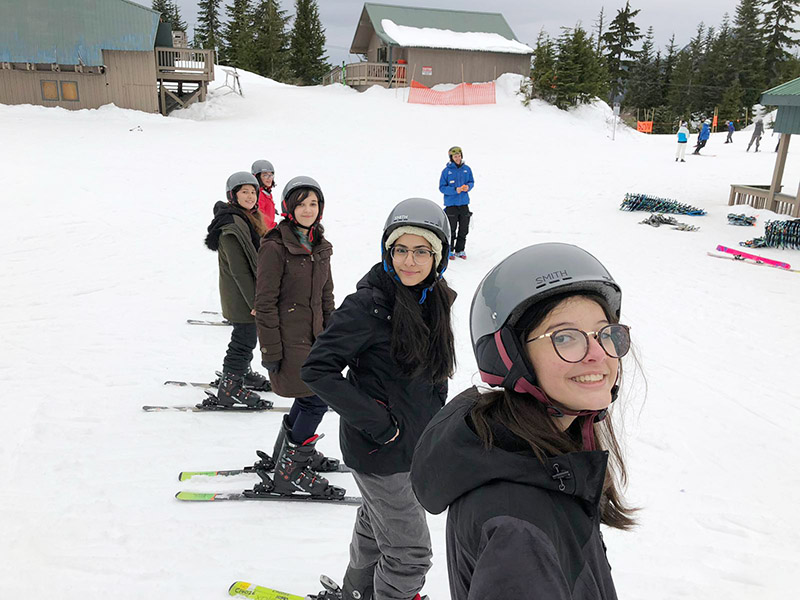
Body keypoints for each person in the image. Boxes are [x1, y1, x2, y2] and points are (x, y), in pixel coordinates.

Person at [411, 242, 637, 600]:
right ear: (510, 356)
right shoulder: (519, 527)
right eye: (565, 337)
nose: (597, 354)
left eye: (604, 333)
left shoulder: (542, 463)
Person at [302, 198, 457, 600]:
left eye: (422, 250)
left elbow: (431, 375)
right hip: (379, 450)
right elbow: (317, 369)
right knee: (410, 554)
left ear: (438, 256)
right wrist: (379, 424)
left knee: (376, 525)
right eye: (400, 249)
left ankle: (357, 592)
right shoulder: (368, 306)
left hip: (412, 445)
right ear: (388, 252)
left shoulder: (435, 299)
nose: (409, 260)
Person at [255, 175, 342, 497]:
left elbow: (326, 297)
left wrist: (335, 338)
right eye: (302, 203)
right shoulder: (275, 246)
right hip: (289, 341)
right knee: (315, 400)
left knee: (309, 400)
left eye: (314, 203)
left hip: (316, 338)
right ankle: (291, 469)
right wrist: (271, 351)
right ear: (288, 207)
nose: (308, 209)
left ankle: (288, 455)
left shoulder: (320, 245)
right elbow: (264, 304)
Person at [204, 172, 271, 407]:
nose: (250, 196)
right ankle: (230, 387)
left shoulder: (247, 218)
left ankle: (243, 372)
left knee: (247, 337)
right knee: (243, 339)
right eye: (244, 192)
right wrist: (255, 303)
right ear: (233, 195)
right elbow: (239, 270)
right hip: (241, 294)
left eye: (253, 192)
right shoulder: (231, 225)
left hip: (246, 292)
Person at [439, 146, 474, 260]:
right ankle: (449, 250)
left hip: (464, 204)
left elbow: (471, 181)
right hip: (451, 205)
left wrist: (468, 187)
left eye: (459, 156)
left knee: (464, 228)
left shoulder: (467, 169)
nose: (457, 158)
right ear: (451, 158)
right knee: (451, 229)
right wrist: (455, 190)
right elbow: (442, 187)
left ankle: (460, 250)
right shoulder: (446, 171)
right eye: (455, 156)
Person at [251, 160, 277, 230]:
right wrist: (274, 227)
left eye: (271, 175)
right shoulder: (259, 194)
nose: (269, 178)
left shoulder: (266, 192)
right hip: (265, 232)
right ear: (257, 177)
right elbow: (260, 216)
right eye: (265, 175)